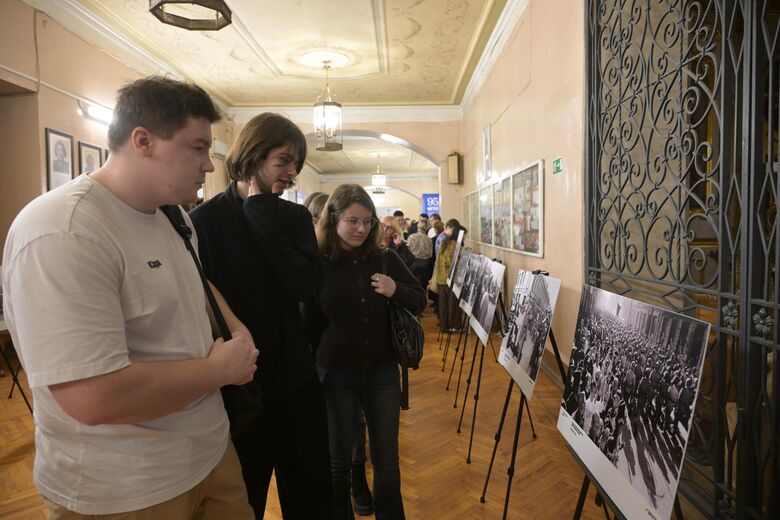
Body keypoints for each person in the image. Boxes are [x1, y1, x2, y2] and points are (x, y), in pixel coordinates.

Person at [2, 76, 257, 518]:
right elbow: (93, 397)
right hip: (124, 487)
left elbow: (194, 282)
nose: (209, 166)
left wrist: (236, 331)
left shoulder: (173, 215)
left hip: (209, 455)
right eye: (197, 148)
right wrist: (218, 370)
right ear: (144, 141)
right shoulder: (63, 230)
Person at [189, 112, 333, 519]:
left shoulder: (290, 218)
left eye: (296, 165)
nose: (291, 173)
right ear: (253, 155)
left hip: (295, 380)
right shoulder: (205, 222)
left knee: (311, 497)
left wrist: (259, 213)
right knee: (244, 498)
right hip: (240, 389)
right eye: (283, 161)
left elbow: (304, 285)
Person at [312, 184, 426, 519]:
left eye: (367, 221)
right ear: (333, 219)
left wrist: (395, 290)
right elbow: (306, 322)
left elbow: (419, 299)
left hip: (382, 372)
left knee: (387, 461)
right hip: (335, 373)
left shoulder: (385, 258)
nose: (361, 228)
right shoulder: (318, 263)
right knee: (338, 463)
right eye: (352, 221)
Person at [432, 219, 465, 330]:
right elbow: (450, 262)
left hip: (441, 277)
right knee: (453, 304)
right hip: (451, 278)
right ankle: (454, 326)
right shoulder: (454, 244)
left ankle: (444, 325)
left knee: (443, 304)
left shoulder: (443, 241)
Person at [406, 221, 433, 290]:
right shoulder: (429, 239)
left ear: (418, 228)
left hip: (414, 262)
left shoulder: (411, 237)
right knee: (423, 284)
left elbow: (406, 249)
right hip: (425, 263)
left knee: (413, 283)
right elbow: (430, 254)